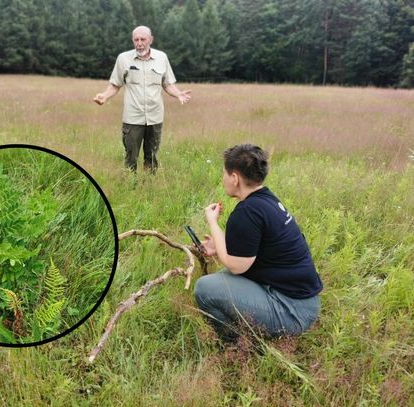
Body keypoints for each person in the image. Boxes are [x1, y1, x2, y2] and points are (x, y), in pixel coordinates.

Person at [194, 144, 322, 342]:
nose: (223, 179)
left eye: (224, 174)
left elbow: (236, 266)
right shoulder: (266, 200)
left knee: (205, 288)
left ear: (235, 178)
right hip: (304, 301)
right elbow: (255, 250)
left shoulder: (246, 212)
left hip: (292, 311)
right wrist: (218, 246)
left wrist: (213, 224)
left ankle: (237, 345)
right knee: (221, 279)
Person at [94, 25, 191, 173]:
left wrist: (178, 94)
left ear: (150, 39)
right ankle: (130, 186)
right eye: (136, 40)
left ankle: (149, 185)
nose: (139, 43)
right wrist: (104, 96)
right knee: (130, 156)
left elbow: (167, 83)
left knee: (151, 156)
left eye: (143, 39)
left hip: (155, 117)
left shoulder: (161, 58)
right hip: (133, 118)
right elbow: (115, 84)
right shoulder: (123, 59)